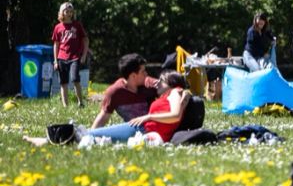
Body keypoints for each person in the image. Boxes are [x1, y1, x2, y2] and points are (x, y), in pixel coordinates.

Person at [26, 71, 190, 147]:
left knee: (88, 135)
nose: (158, 83)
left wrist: (148, 117)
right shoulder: (173, 95)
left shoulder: (175, 92)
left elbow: (174, 116)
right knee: (91, 136)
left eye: (162, 81)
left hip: (144, 129)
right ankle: (50, 140)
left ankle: (47, 141)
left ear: (172, 85)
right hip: (142, 128)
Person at [90, 54, 160, 129]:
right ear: (133, 76)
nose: (146, 74)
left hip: (153, 127)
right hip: (132, 129)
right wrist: (90, 135)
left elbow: (170, 87)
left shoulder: (149, 84)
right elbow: (103, 117)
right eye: (143, 71)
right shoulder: (115, 92)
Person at [51, 2, 89, 108]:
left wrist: (84, 55)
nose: (69, 13)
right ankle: (65, 106)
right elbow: (56, 44)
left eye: (71, 12)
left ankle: (80, 102)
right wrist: (55, 60)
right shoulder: (58, 27)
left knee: (75, 79)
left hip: (75, 57)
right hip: (61, 58)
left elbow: (86, 40)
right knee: (63, 83)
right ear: (61, 13)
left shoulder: (77, 25)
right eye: (66, 11)